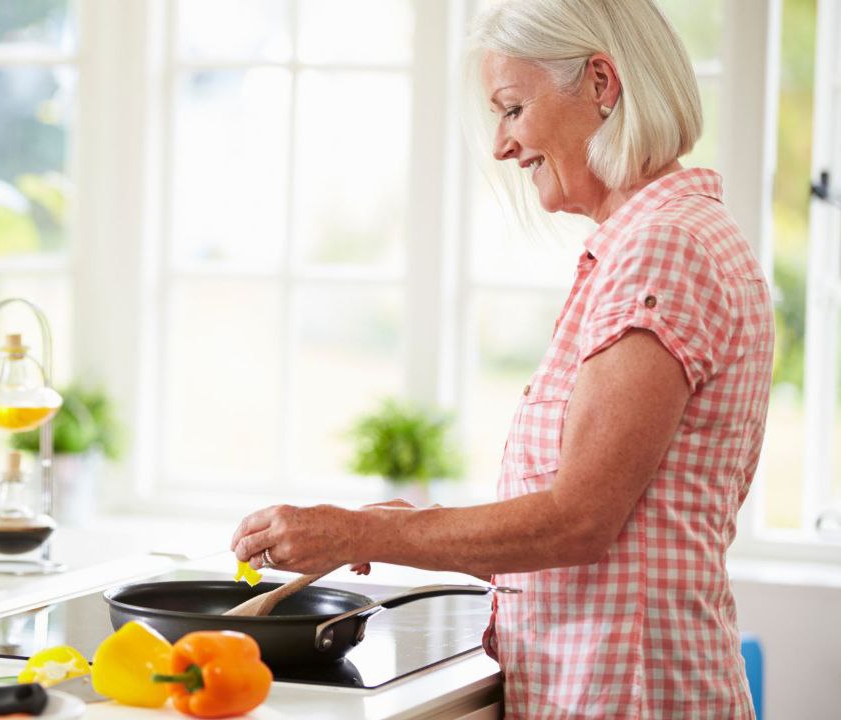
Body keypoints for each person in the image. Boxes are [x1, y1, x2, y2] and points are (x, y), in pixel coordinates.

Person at [229, 0, 773, 717]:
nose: (500, 146)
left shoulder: (659, 250)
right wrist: (401, 525)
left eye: (512, 108)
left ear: (602, 85)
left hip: (628, 695)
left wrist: (361, 532)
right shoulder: (676, 234)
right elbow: (604, 511)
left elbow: (578, 519)